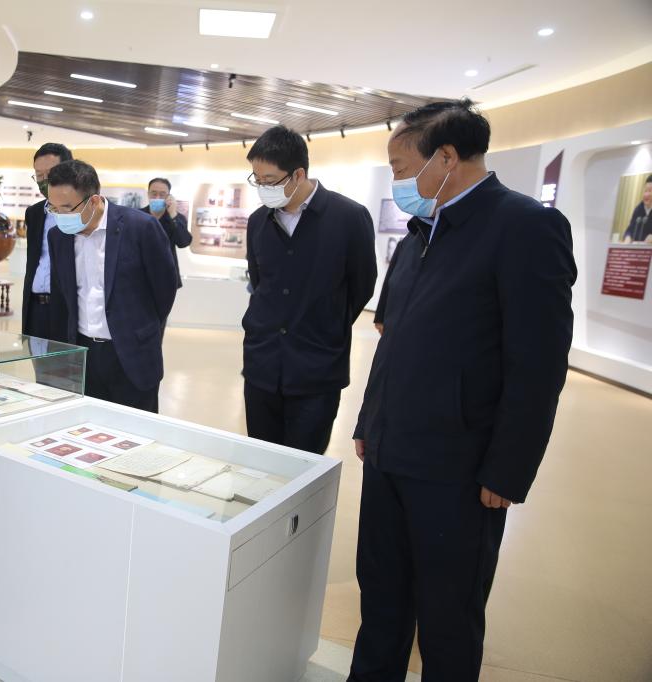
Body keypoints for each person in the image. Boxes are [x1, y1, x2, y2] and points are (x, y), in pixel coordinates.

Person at [350, 99, 576, 681]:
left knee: (448, 617)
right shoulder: (420, 233)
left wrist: (508, 470)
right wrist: (369, 422)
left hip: (459, 469)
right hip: (389, 454)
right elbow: (392, 339)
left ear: (446, 158)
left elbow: (538, 364)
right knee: (381, 600)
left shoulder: (524, 227)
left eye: (402, 168)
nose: (399, 182)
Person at [242, 125, 377, 454]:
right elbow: (260, 283)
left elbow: (362, 286)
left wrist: (324, 324)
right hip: (262, 366)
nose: (263, 188)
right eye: (257, 180)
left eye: (270, 180)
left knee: (305, 465)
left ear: (298, 174)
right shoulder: (258, 222)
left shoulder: (349, 217)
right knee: (260, 463)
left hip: (316, 369)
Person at [46, 160, 177, 412]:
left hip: (131, 354)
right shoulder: (58, 237)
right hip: (83, 354)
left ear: (94, 201)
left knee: (135, 430)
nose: (60, 216)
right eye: (53, 208)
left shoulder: (141, 228)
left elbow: (164, 290)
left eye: (67, 208)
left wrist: (141, 330)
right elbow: (62, 297)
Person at [22, 143, 73, 339]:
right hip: (36, 309)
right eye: (39, 175)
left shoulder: (81, 213)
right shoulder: (34, 213)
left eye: (50, 174)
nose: (44, 181)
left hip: (66, 311)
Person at [141, 177, 193, 287]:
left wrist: (173, 214)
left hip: (167, 277)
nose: (157, 197)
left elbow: (183, 242)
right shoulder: (138, 216)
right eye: (154, 194)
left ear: (169, 196)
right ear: (148, 194)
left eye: (162, 194)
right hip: (141, 276)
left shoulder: (176, 218)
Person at [621, 174, 652, 243]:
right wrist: (628, 237)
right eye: (645, 191)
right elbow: (630, 229)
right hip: (637, 248)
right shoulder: (638, 209)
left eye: (650, 191)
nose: (646, 194)